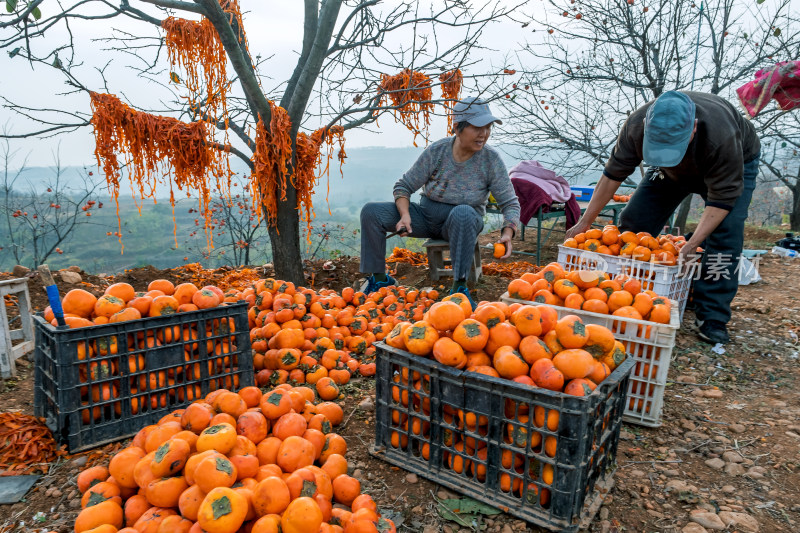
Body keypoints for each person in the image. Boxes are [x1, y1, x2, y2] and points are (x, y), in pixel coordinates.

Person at [567, 91, 760, 344]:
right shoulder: (635, 126)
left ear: (693, 128)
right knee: (633, 224)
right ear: (647, 127)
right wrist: (585, 221)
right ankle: (628, 295)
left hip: (735, 165)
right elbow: (612, 175)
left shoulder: (721, 137)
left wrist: (693, 243)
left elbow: (722, 200)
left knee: (725, 235)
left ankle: (712, 315)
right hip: (668, 173)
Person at [359, 96, 521, 308]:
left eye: (488, 127)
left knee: (462, 213)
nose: (484, 133)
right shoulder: (438, 151)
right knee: (371, 212)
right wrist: (405, 215)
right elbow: (404, 186)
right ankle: (380, 279)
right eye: (477, 127)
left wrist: (508, 233)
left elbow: (510, 202)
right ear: (457, 128)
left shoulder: (490, 160)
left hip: (464, 221)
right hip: (427, 216)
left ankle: (459, 289)